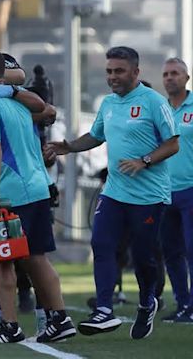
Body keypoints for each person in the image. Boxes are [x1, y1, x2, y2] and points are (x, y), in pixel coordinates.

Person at [49, 46, 179, 340]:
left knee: (143, 257)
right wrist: (68, 147)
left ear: (135, 72)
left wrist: (143, 161)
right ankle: (104, 310)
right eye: (109, 71)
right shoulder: (108, 104)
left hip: (149, 197)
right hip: (115, 192)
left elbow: (173, 144)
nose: (112, 77)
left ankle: (147, 302)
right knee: (102, 243)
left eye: (119, 71)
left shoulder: (153, 102)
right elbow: (96, 136)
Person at [0, 49, 75, 343]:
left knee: (2, 260)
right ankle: (60, 318)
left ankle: (11, 326)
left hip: (11, 193)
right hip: (39, 186)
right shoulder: (18, 103)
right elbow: (46, 111)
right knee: (37, 258)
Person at [159, 57, 193, 323]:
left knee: (192, 249)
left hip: (190, 189)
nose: (170, 78)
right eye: (166, 74)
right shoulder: (159, 109)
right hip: (163, 192)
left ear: (186, 78)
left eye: (175, 73)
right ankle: (183, 305)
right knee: (171, 252)